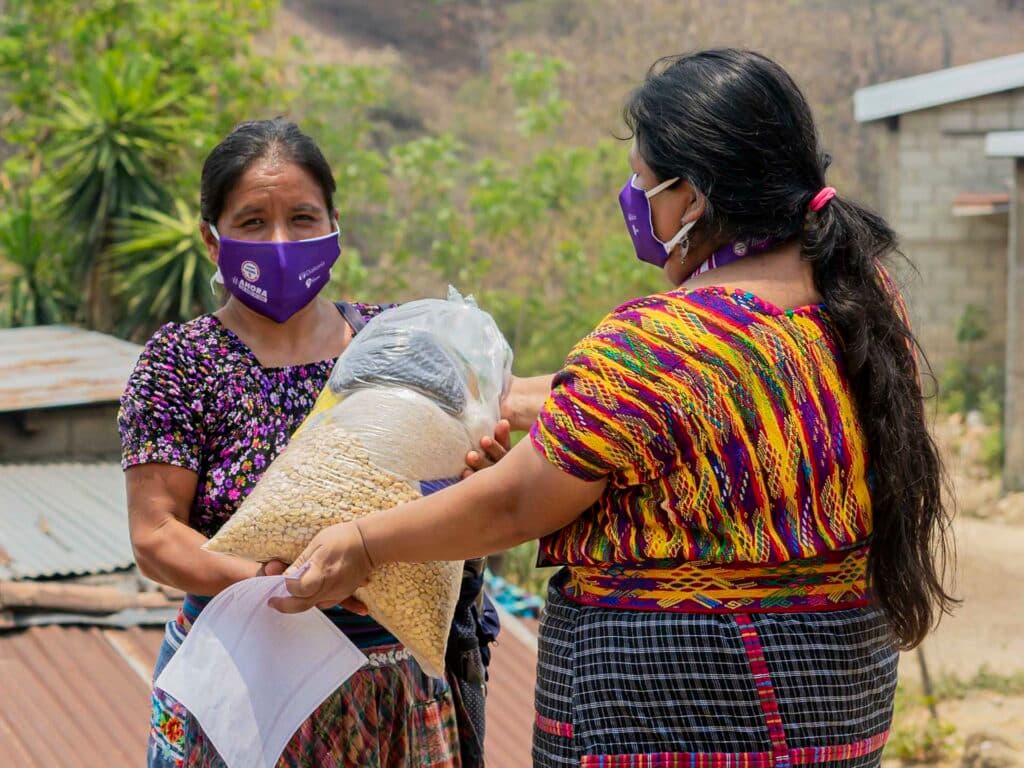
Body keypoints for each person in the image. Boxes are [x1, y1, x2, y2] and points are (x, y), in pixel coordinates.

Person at [271, 50, 955, 768]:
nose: (634, 199)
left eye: (642, 181)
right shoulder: (859, 298)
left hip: (680, 711)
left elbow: (516, 504)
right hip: (835, 699)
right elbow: (663, 405)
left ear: (692, 199)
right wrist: (493, 398)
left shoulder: (664, 338)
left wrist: (364, 543)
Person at [120, 117, 504, 768]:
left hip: (397, 683)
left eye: (302, 218)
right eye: (252, 221)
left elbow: (465, 496)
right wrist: (283, 586)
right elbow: (156, 535)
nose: (280, 241)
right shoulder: (181, 362)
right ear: (212, 239)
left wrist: (476, 473)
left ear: (334, 226)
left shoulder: (397, 343)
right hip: (247, 683)